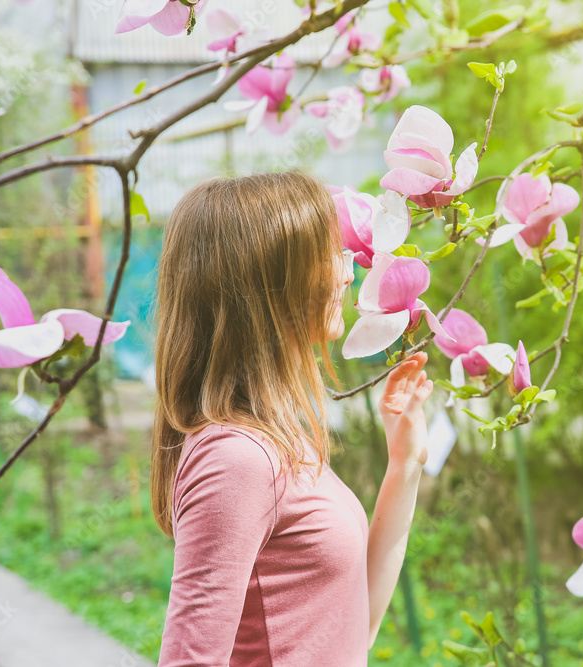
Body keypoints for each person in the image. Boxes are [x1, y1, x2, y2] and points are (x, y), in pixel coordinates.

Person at [152, 171, 434, 666]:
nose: (348, 272)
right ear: (268, 279)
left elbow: (350, 629)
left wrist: (405, 464)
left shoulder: (275, 443)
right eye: (328, 253)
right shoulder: (236, 458)